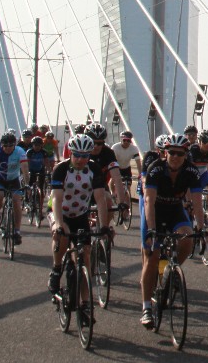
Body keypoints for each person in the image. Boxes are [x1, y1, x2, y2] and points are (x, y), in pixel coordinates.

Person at [137, 134, 205, 332]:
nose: (175, 156)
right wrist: (151, 229)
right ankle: (146, 308)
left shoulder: (191, 171)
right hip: (155, 212)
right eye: (171, 152)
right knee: (152, 257)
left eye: (180, 153)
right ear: (165, 153)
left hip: (175, 209)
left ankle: (171, 270)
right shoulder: (155, 169)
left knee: (187, 240)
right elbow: (148, 201)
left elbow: (197, 201)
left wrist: (200, 228)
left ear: (186, 155)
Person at [49, 133, 98, 295]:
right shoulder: (61, 169)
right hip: (60, 211)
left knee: (85, 256)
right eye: (76, 155)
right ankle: (56, 269)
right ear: (70, 152)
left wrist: (105, 227)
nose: (80, 159)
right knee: (62, 235)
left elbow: (101, 198)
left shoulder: (93, 169)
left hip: (80, 214)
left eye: (85, 156)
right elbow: (56, 199)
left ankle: (85, 303)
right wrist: (58, 223)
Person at [86, 124, 128, 236]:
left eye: (100, 143)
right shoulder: (82, 152)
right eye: (93, 143)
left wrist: (121, 202)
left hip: (100, 184)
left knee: (108, 202)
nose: (96, 146)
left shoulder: (108, 153)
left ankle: (103, 228)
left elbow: (117, 177)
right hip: (83, 185)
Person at [0, 132, 28, 244]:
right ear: (1, 145)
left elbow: (25, 168)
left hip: (14, 179)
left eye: (10, 145)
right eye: (5, 146)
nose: (7, 148)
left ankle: (17, 231)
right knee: (0, 195)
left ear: (14, 145)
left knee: (16, 201)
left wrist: (27, 184)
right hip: (0, 178)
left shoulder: (20, 151)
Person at [110, 130, 142, 197]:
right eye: (124, 140)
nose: (126, 142)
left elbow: (138, 163)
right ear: (121, 139)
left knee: (128, 188)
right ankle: (113, 193)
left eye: (128, 140)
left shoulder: (134, 148)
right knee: (113, 180)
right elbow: (111, 161)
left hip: (126, 168)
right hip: (117, 167)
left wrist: (140, 174)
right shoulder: (115, 147)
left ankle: (127, 202)